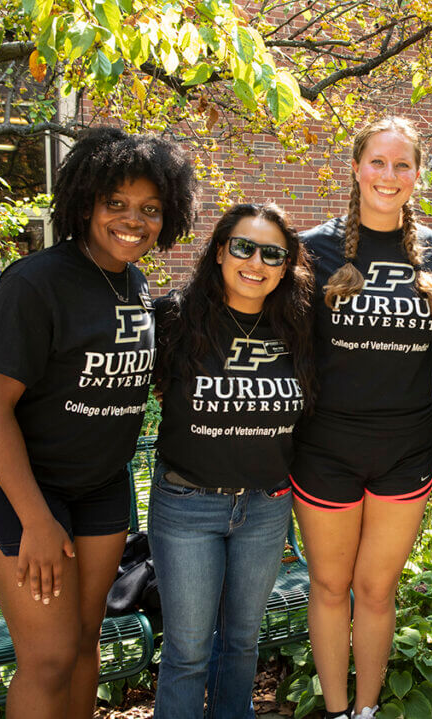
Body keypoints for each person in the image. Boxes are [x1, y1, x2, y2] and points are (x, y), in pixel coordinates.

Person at [0, 127, 195, 719]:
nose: (132, 220)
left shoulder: (134, 284)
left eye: (149, 209)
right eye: (115, 204)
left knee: (85, 642)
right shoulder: (36, 281)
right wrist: (36, 520)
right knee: (47, 657)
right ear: (85, 202)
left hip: (101, 489)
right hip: (25, 491)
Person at [291, 116, 432, 719]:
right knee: (331, 588)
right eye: (377, 163)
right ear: (356, 167)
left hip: (405, 449)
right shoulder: (314, 246)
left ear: (417, 174)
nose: (389, 176)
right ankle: (336, 711)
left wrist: (394, 380)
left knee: (377, 590)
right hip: (326, 448)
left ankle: (365, 710)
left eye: (402, 165)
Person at [149, 203, 315, 718]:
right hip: (187, 504)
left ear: (286, 266)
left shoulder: (299, 326)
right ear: (220, 250)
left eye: (272, 254)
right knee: (189, 651)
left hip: (265, 508)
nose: (256, 262)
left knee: (242, 642)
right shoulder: (176, 316)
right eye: (243, 247)